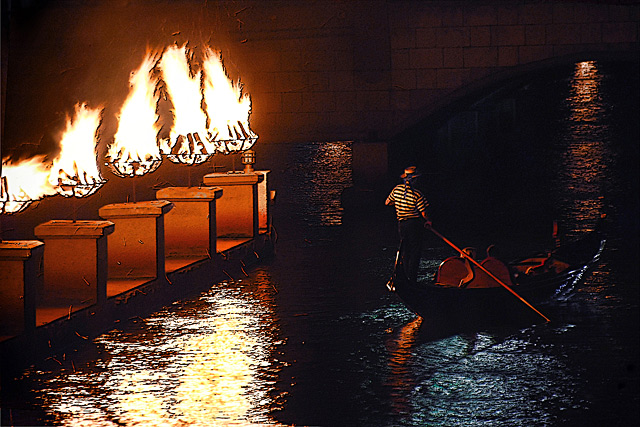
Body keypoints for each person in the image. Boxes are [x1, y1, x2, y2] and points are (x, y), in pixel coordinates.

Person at [385, 166, 431, 283]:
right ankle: (412, 278)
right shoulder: (417, 195)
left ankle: (405, 276)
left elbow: (388, 202)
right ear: (415, 180)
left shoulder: (396, 190)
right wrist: (428, 221)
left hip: (402, 224)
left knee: (406, 250)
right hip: (414, 225)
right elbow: (424, 212)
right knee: (415, 251)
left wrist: (400, 204)